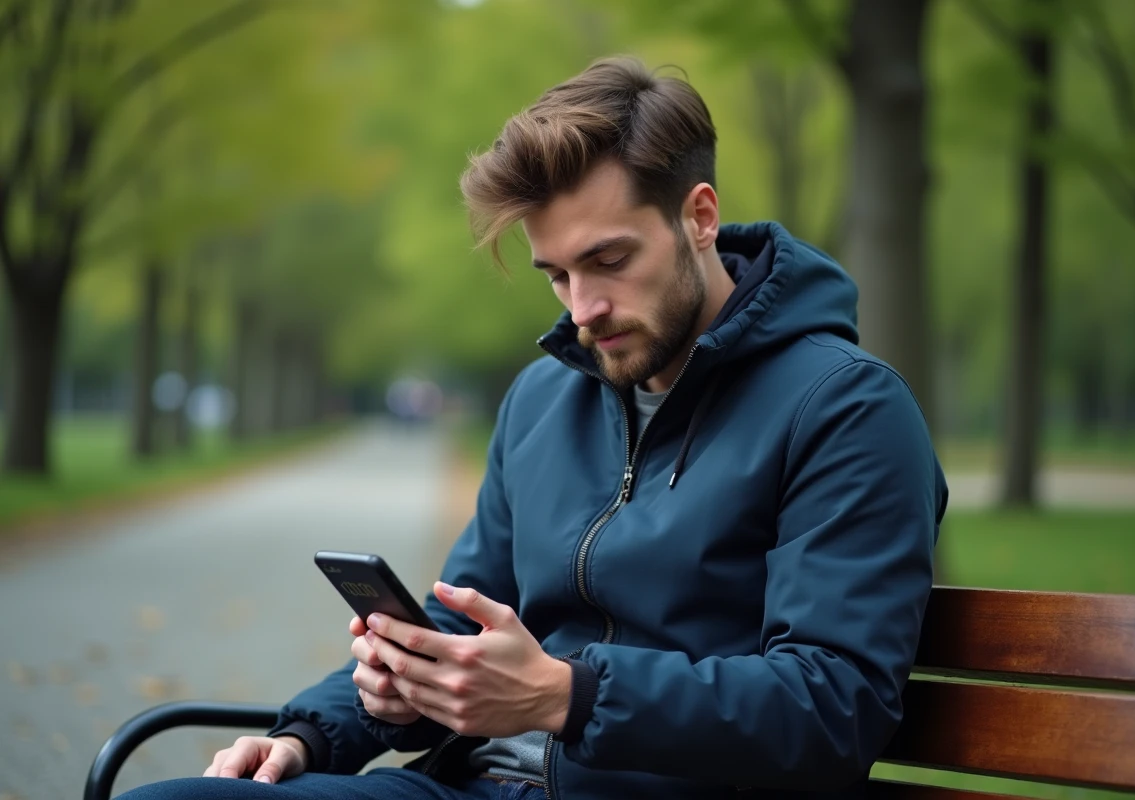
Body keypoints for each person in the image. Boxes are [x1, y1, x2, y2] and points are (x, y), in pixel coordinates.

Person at [119, 55, 948, 800]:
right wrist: (323, 726)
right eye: (556, 274)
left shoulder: (847, 412)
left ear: (699, 217)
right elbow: (456, 625)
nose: (583, 309)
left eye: (610, 261)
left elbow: (834, 708)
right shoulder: (542, 400)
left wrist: (566, 694)